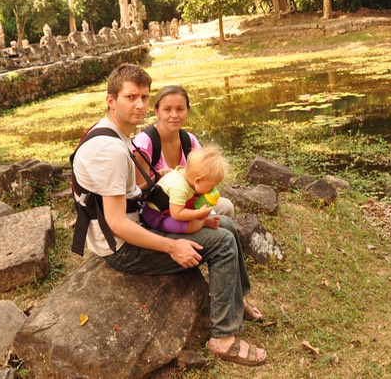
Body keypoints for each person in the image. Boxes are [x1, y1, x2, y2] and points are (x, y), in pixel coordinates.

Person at [71, 63, 266, 366]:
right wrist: (172, 246)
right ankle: (223, 337)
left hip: (139, 221)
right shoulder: (107, 149)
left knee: (225, 222)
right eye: (130, 97)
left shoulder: (116, 133)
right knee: (224, 242)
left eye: (144, 97)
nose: (139, 104)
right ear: (111, 100)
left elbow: (131, 191)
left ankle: (234, 302)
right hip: (123, 248)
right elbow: (117, 223)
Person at [132, 85, 235, 217]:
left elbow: (204, 179)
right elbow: (137, 192)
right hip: (158, 210)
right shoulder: (145, 144)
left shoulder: (189, 140)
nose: (174, 115)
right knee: (217, 223)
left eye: (180, 109)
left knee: (226, 207)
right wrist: (157, 177)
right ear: (157, 111)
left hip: (187, 201)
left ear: (187, 111)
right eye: (167, 109)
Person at [142, 145, 227, 234]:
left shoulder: (186, 174)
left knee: (192, 213)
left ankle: (202, 221)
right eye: (211, 186)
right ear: (198, 181)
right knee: (190, 226)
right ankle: (203, 223)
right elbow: (177, 214)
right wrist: (200, 213)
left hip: (171, 208)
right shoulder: (179, 188)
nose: (213, 189)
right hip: (156, 217)